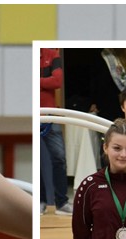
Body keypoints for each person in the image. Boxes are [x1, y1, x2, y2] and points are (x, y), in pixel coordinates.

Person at [39, 47, 72, 216]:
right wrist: (45, 80)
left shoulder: (53, 54)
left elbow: (57, 82)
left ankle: (62, 202)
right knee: (35, 160)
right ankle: (40, 201)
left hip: (50, 115)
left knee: (58, 157)